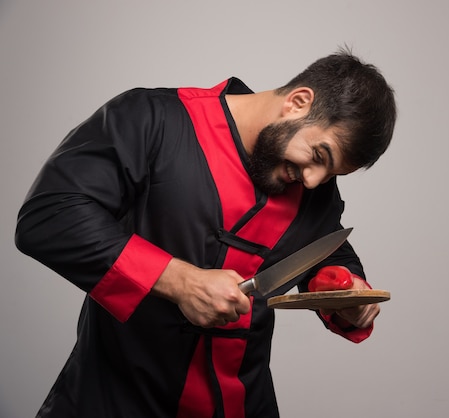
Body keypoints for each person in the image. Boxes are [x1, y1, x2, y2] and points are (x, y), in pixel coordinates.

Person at [15, 48, 397, 418]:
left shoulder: (311, 185)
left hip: (241, 404)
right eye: (319, 157)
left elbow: (326, 251)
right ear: (298, 102)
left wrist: (347, 291)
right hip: (112, 396)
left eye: (333, 174)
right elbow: (51, 214)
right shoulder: (154, 119)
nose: (316, 182)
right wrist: (179, 281)